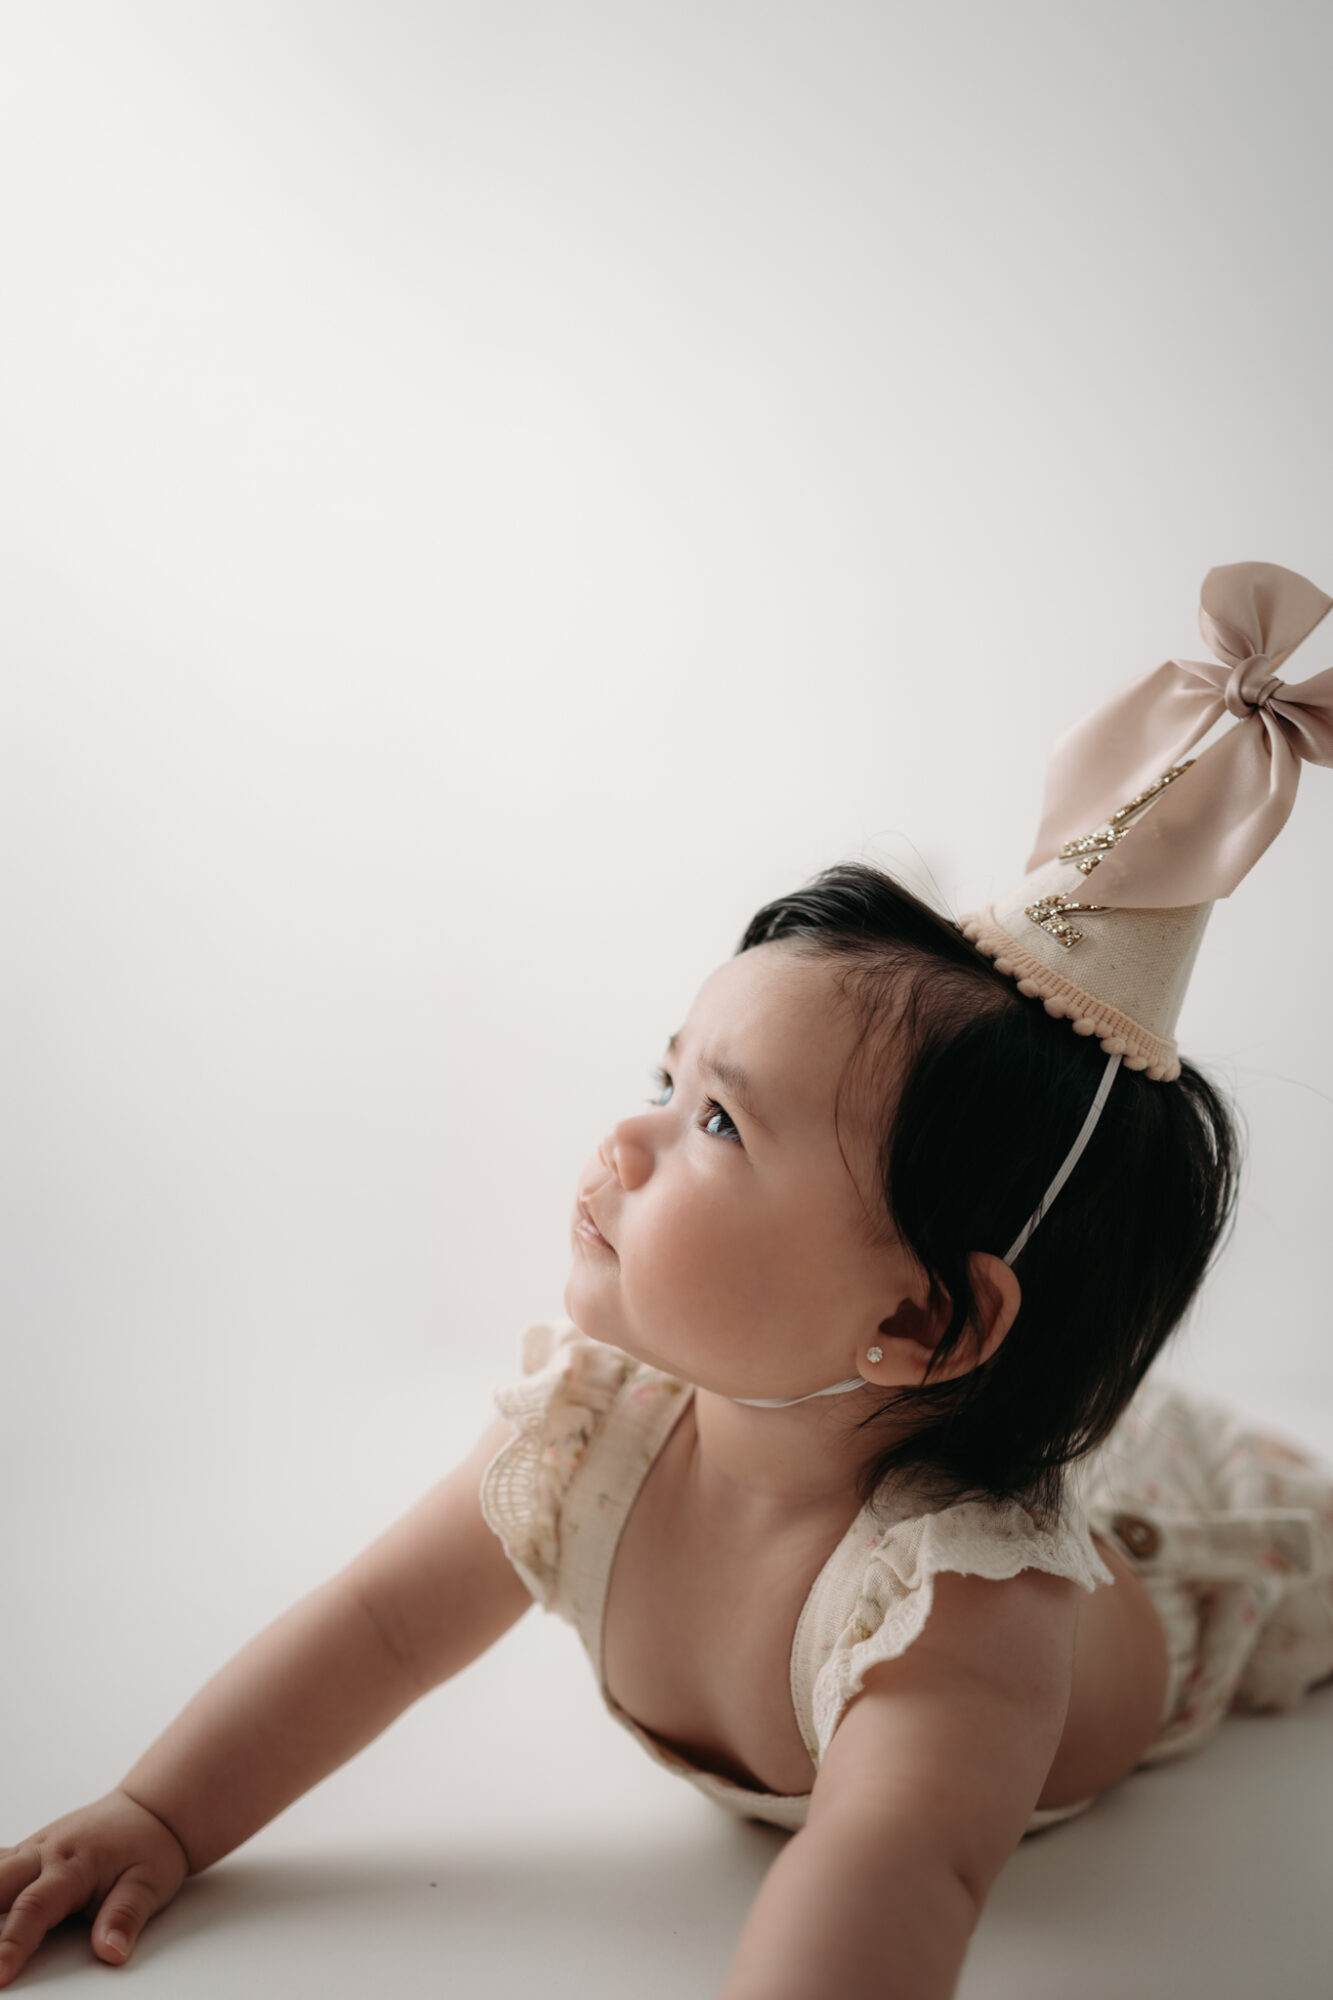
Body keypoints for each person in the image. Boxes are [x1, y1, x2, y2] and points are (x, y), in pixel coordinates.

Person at [3, 562, 1333, 2000]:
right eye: (666, 1076)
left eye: (716, 1122)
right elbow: (379, 1627)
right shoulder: (595, 1429)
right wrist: (161, 1813)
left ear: (911, 1316)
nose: (626, 1136)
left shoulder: (959, 1618)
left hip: (1192, 1556)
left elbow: (888, 1867)